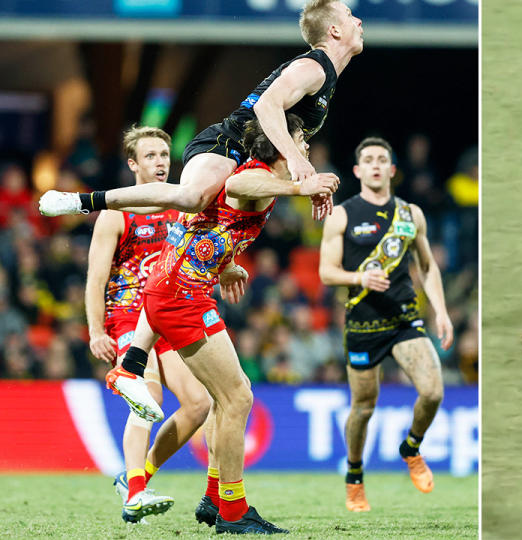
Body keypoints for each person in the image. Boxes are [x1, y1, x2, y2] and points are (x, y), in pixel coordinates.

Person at [105, 114, 338, 534]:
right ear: (281, 143)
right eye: (300, 139)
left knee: (223, 400)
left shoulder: (261, 178)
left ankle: (214, 500)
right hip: (178, 298)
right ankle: (232, 510)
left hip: (189, 292)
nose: (304, 147)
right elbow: (237, 187)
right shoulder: (254, 176)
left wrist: (227, 264)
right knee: (237, 399)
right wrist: (299, 186)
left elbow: (214, 222)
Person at [38, 0, 362, 221]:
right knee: (191, 197)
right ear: (333, 30)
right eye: (349, 15)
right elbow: (267, 105)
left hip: (248, 157)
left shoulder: (327, 76)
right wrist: (296, 160)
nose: (358, 20)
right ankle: (81, 202)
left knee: (186, 207)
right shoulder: (313, 68)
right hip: (226, 142)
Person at [85, 126, 212, 523]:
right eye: (151, 156)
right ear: (133, 164)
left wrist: (227, 271)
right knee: (149, 398)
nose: (160, 162)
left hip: (167, 318)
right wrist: (95, 331)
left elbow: (201, 253)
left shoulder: (183, 205)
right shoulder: (115, 214)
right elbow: (95, 278)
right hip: (127, 317)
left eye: (164, 154)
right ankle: (135, 494)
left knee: (199, 404)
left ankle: (136, 476)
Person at [320, 137, 453, 512]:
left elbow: (426, 267)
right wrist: (359, 279)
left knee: (433, 392)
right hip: (363, 324)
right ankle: (354, 475)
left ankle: (411, 448)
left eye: (383, 160)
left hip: (404, 319)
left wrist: (440, 311)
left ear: (392, 170)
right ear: (358, 171)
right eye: (368, 160)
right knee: (363, 407)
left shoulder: (411, 214)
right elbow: (326, 272)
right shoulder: (342, 215)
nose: (376, 165)